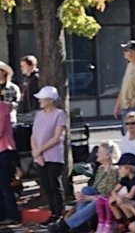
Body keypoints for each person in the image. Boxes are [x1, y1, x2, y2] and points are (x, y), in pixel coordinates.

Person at [48, 141, 120, 233]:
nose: (97, 154)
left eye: (100, 152)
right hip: (96, 196)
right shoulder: (101, 168)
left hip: (106, 200)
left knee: (98, 201)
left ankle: (66, 225)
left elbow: (108, 195)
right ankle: (80, 225)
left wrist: (88, 198)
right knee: (86, 189)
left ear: (107, 155)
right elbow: (93, 188)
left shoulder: (113, 171)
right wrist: (82, 196)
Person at [30, 86, 67, 227]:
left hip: (53, 156)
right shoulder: (38, 115)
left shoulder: (59, 114)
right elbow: (33, 136)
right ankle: (52, 213)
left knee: (54, 185)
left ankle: (58, 214)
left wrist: (40, 150)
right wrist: (36, 152)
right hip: (40, 156)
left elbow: (57, 137)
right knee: (46, 186)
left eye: (42, 98)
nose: (39, 101)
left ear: (50, 100)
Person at [109, 153, 135, 232]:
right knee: (112, 201)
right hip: (131, 201)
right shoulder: (125, 178)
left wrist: (120, 198)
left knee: (122, 202)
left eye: (120, 168)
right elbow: (113, 191)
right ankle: (121, 223)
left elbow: (130, 195)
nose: (119, 170)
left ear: (128, 168)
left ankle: (132, 221)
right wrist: (116, 197)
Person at [0, 101, 20, 226]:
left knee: (5, 185)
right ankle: (2, 215)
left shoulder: (2, 107)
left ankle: (13, 215)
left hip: (4, 150)